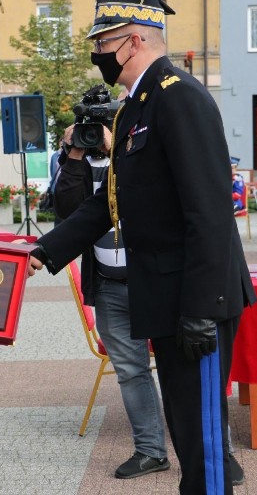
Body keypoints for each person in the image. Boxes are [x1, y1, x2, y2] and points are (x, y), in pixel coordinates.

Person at [28, 0, 256, 494]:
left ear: (132, 42)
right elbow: (109, 203)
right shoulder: (134, 108)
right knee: (183, 422)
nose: (97, 54)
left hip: (196, 301)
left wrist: (202, 306)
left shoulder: (180, 97)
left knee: (202, 436)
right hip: (165, 296)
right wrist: (44, 251)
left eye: (102, 42)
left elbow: (210, 212)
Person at [54, 120, 170, 480]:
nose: (94, 135)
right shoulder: (75, 166)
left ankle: (218, 451)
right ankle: (151, 451)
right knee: (131, 372)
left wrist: (114, 149)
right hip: (109, 286)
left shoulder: (137, 156)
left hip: (156, 284)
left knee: (183, 368)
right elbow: (67, 214)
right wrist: (74, 153)